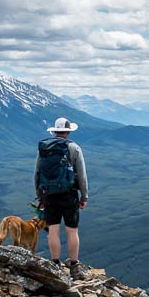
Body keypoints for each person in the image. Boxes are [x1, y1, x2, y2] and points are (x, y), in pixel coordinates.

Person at [35, 117, 88, 279]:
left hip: (49, 195)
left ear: (54, 131)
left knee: (53, 230)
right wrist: (84, 196)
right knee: (72, 230)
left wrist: (40, 196)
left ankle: (55, 263)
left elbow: (37, 174)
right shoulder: (74, 148)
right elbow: (82, 175)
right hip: (69, 194)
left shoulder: (44, 148)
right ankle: (74, 266)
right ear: (68, 131)